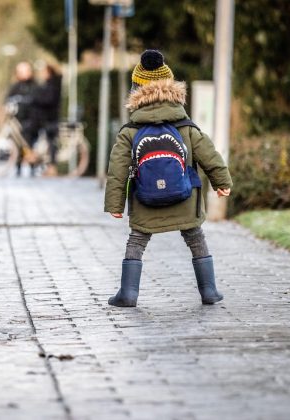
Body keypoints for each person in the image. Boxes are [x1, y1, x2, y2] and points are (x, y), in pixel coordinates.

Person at [104, 49, 233, 307]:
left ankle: (128, 294)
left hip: (145, 200)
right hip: (185, 197)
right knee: (195, 237)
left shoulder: (130, 131)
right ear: (172, 88)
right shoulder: (185, 127)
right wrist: (222, 182)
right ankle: (209, 290)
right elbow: (210, 155)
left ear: (135, 91)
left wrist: (115, 205)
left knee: (137, 240)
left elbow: (117, 169)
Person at [6, 61, 39, 176]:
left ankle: (33, 166)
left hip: (31, 120)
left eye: (25, 71)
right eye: (20, 71)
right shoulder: (15, 86)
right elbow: (8, 99)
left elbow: (37, 101)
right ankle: (18, 167)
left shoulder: (34, 86)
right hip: (17, 120)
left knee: (29, 143)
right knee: (17, 144)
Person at [34, 63, 62, 176]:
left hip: (51, 117)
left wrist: (37, 100)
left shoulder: (52, 85)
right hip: (47, 117)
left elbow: (49, 100)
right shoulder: (50, 84)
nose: (41, 74)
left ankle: (52, 167)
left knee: (52, 143)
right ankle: (49, 167)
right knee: (49, 143)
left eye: (44, 72)